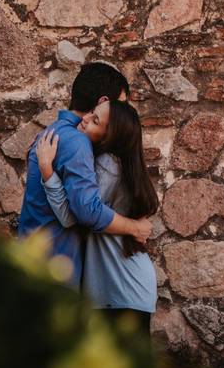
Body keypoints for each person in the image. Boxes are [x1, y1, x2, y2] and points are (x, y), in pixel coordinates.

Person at [18, 63, 151, 289]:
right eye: (120, 104)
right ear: (102, 102)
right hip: (54, 269)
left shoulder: (51, 132)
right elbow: (87, 211)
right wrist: (134, 228)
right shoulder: (77, 141)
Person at [36, 99, 159, 320]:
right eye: (92, 112)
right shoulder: (119, 164)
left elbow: (71, 218)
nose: (84, 119)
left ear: (109, 136)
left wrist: (47, 172)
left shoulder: (106, 166)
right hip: (126, 288)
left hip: (119, 288)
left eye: (95, 120)